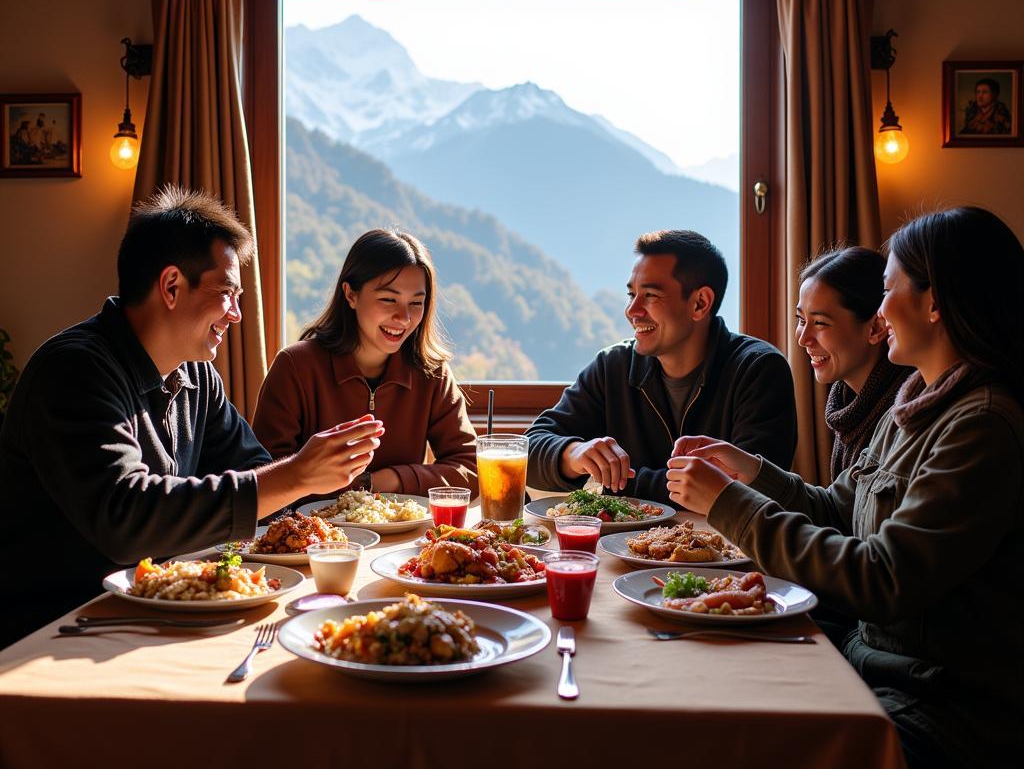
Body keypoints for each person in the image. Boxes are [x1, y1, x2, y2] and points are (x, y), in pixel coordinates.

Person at [665, 206, 1024, 769]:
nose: (882, 311)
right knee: (703, 674)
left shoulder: (983, 426)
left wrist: (732, 507)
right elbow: (839, 511)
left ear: (935, 303)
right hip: (874, 666)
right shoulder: (919, 400)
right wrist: (753, 474)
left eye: (888, 289)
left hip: (948, 723)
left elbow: (884, 580)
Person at [0, 187, 384, 647]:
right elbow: (126, 518)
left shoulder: (196, 377)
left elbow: (254, 473)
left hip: (155, 611)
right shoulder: (74, 370)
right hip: (54, 631)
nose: (238, 315)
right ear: (171, 286)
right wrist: (297, 475)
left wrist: (332, 492)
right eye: (227, 293)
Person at [526, 229, 797, 504]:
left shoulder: (758, 370)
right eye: (631, 294)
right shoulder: (613, 366)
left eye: (650, 295)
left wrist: (609, 484)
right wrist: (573, 454)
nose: (632, 310)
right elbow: (529, 448)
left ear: (700, 303)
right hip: (619, 547)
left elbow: (748, 492)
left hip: (724, 546)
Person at [252, 228, 477, 497]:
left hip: (404, 537)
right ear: (350, 294)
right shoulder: (295, 366)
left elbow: (471, 471)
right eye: (388, 299)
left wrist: (383, 481)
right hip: (316, 536)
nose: (403, 317)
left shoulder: (432, 373)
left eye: (416, 303)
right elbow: (263, 480)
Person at [796, 245, 912, 480]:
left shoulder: (902, 414)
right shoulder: (847, 403)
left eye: (820, 323)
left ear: (877, 327)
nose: (802, 338)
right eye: (800, 319)